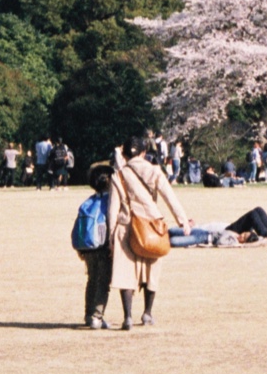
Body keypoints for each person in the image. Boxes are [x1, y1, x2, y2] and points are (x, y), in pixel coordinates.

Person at [107, 137, 190, 329]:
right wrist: (182, 220)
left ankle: (127, 316)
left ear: (125, 155)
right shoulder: (154, 170)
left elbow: (112, 209)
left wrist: (111, 235)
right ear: (144, 153)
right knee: (152, 270)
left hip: (126, 226)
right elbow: (169, 196)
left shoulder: (118, 176)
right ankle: (147, 313)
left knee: (125, 272)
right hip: (151, 226)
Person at [77, 164, 115, 328]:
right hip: (104, 246)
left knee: (92, 280)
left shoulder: (87, 202)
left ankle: (88, 314)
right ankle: (97, 316)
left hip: (88, 248)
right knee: (103, 283)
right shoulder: (111, 202)